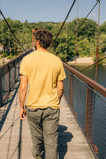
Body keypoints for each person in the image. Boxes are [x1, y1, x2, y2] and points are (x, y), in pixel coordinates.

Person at [19, 29, 66, 159]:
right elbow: (60, 88)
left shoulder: (27, 59)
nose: (34, 41)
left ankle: (38, 154)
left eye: (34, 39)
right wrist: (55, 102)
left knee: (37, 136)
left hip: (33, 107)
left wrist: (21, 107)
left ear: (38, 41)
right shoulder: (57, 60)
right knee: (51, 141)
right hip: (52, 107)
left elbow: (23, 88)